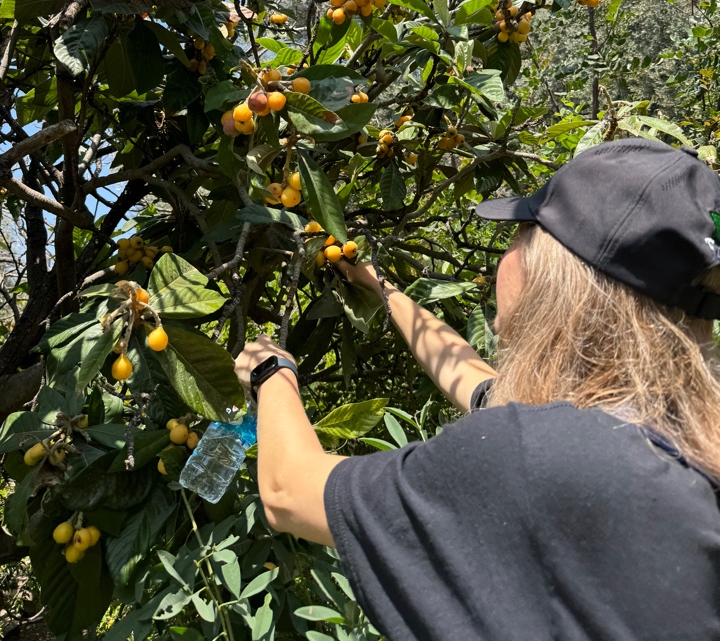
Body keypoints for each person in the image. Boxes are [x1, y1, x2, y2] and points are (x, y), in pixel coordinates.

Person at [234, 138, 720, 641]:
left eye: (520, 234)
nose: (506, 256)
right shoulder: (660, 436)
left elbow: (288, 491)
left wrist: (272, 371)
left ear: (553, 268)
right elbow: (469, 375)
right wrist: (381, 288)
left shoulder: (528, 456)